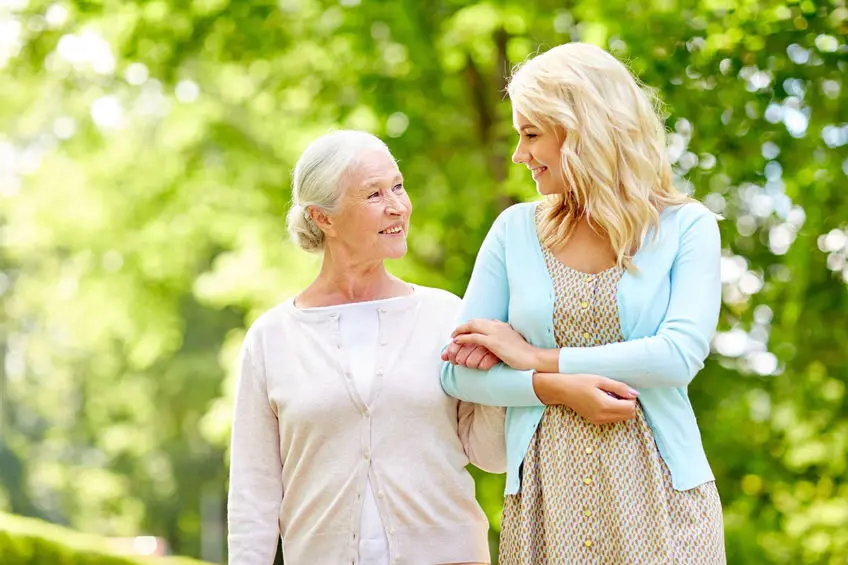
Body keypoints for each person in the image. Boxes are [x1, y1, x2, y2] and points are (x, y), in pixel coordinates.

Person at [441, 42, 726, 564]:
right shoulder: (513, 232)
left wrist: (535, 358)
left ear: (586, 131)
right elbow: (457, 374)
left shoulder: (688, 227)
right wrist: (556, 389)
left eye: (531, 135)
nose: (518, 154)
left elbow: (678, 355)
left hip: (665, 505)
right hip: (546, 507)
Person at [227, 130, 506, 565]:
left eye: (397, 186)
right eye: (373, 194)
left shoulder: (444, 316)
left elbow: (493, 457)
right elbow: (253, 494)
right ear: (324, 218)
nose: (397, 205)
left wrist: (498, 380)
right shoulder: (271, 338)